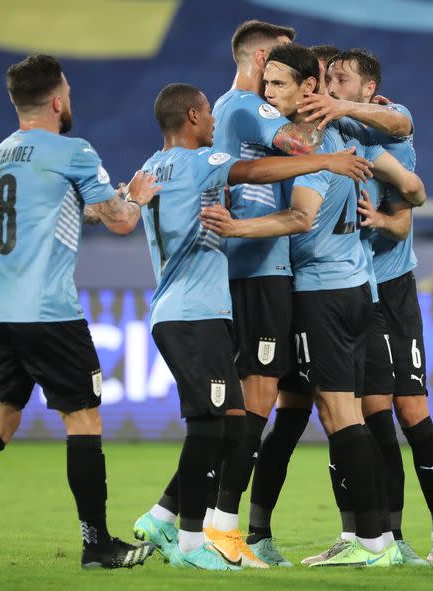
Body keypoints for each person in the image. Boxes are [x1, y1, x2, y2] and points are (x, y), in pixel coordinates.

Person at [0, 54, 161, 573]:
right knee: (84, 419)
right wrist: (137, 198)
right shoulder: (73, 150)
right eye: (69, 94)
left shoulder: (0, 155)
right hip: (49, 311)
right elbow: (121, 221)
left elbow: (65, 210)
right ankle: (97, 542)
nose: (70, 101)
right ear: (57, 100)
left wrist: (105, 204)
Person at [202, 43, 425, 567]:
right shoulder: (354, 137)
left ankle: (365, 541)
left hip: (318, 292)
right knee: (345, 413)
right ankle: (375, 540)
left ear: (308, 88)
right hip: (359, 288)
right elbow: (413, 188)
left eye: (278, 85)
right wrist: (389, 214)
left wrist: (238, 227)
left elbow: (300, 219)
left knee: (329, 412)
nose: (267, 94)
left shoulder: (312, 147)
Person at [133, 82, 372, 571]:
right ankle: (197, 540)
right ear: (196, 117)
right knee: (212, 425)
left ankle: (169, 517)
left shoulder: (149, 169)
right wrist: (324, 161)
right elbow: (255, 168)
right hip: (192, 312)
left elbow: (116, 212)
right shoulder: (203, 159)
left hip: (193, 308)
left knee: (233, 420)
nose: (215, 126)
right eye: (208, 118)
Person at [325, 48, 433, 565]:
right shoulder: (331, 135)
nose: (333, 86)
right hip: (351, 293)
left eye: (342, 78)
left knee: (411, 410)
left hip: (393, 288)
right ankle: (388, 538)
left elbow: (409, 209)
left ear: (369, 88)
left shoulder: (387, 128)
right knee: (365, 415)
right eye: (328, 78)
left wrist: (378, 222)